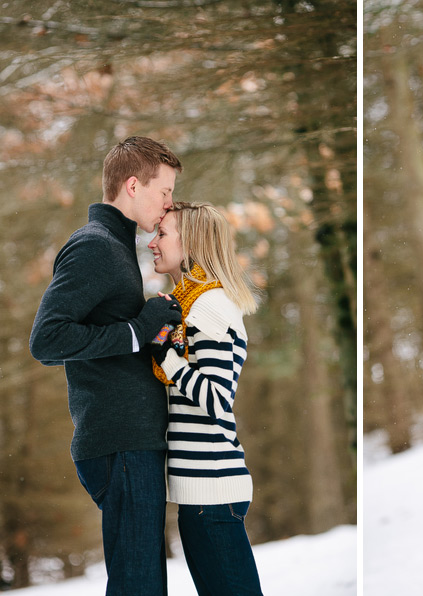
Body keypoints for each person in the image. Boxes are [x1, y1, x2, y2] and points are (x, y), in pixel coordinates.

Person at [29, 136, 183, 596]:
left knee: (143, 580)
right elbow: (47, 340)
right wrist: (138, 329)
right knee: (139, 584)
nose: (169, 202)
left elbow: (112, 336)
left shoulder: (116, 246)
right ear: (133, 186)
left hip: (132, 440)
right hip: (120, 443)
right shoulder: (95, 246)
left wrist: (154, 333)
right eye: (165, 191)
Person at [148, 201, 264, 596]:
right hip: (199, 494)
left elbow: (217, 399)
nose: (152, 243)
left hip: (212, 492)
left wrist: (166, 356)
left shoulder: (209, 306)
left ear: (191, 242)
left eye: (162, 234)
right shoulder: (189, 304)